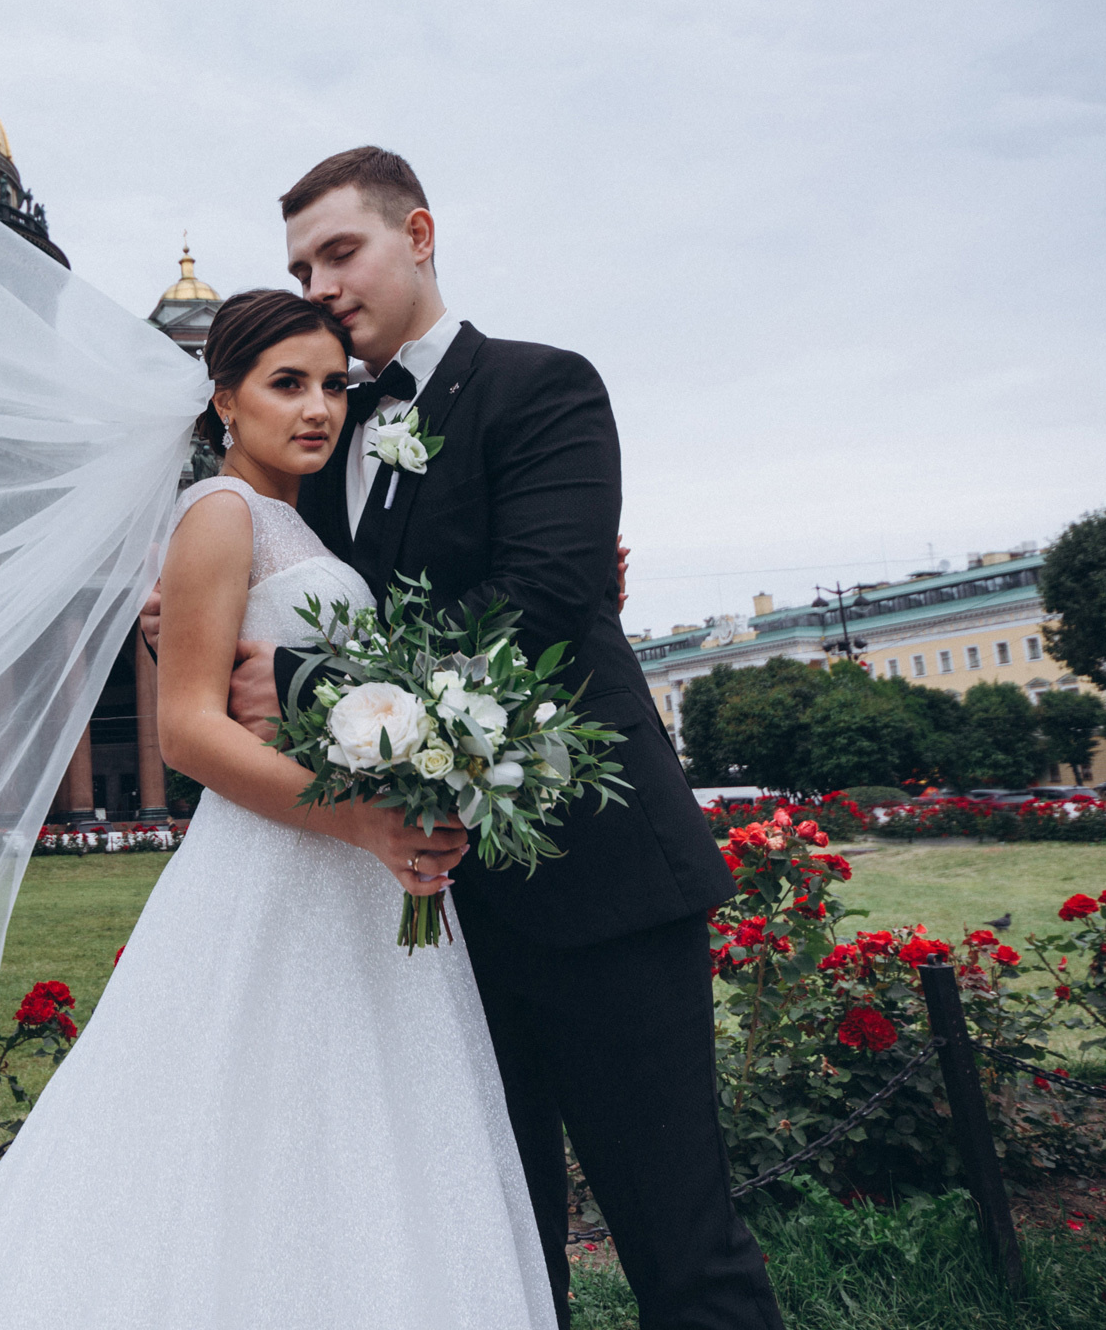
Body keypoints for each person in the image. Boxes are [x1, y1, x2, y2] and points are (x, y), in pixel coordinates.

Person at [151, 147, 778, 1329]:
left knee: (681, 1241)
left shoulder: (544, 388)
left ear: (419, 234)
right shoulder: (318, 450)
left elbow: (536, 610)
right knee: (488, 1243)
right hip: (422, 923)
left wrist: (287, 675)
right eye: (298, 264)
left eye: (341, 251)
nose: (322, 281)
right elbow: (255, 601)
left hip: (596, 886)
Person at [0, 289, 558, 1330]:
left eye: (333, 383)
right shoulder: (218, 513)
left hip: (353, 878)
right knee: (248, 1129)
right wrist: (366, 822)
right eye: (287, 383)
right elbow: (186, 731)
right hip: (285, 866)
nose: (319, 407)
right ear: (223, 400)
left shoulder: (295, 517)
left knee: (347, 1137)